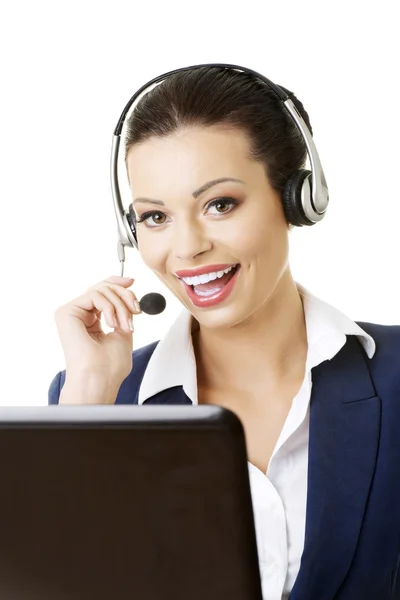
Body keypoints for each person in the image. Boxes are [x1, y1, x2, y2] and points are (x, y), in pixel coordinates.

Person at [48, 66, 400, 600]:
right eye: (155, 217)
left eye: (219, 204)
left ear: (297, 198)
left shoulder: (395, 377)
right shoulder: (98, 401)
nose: (187, 248)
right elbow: (64, 584)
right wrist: (91, 407)